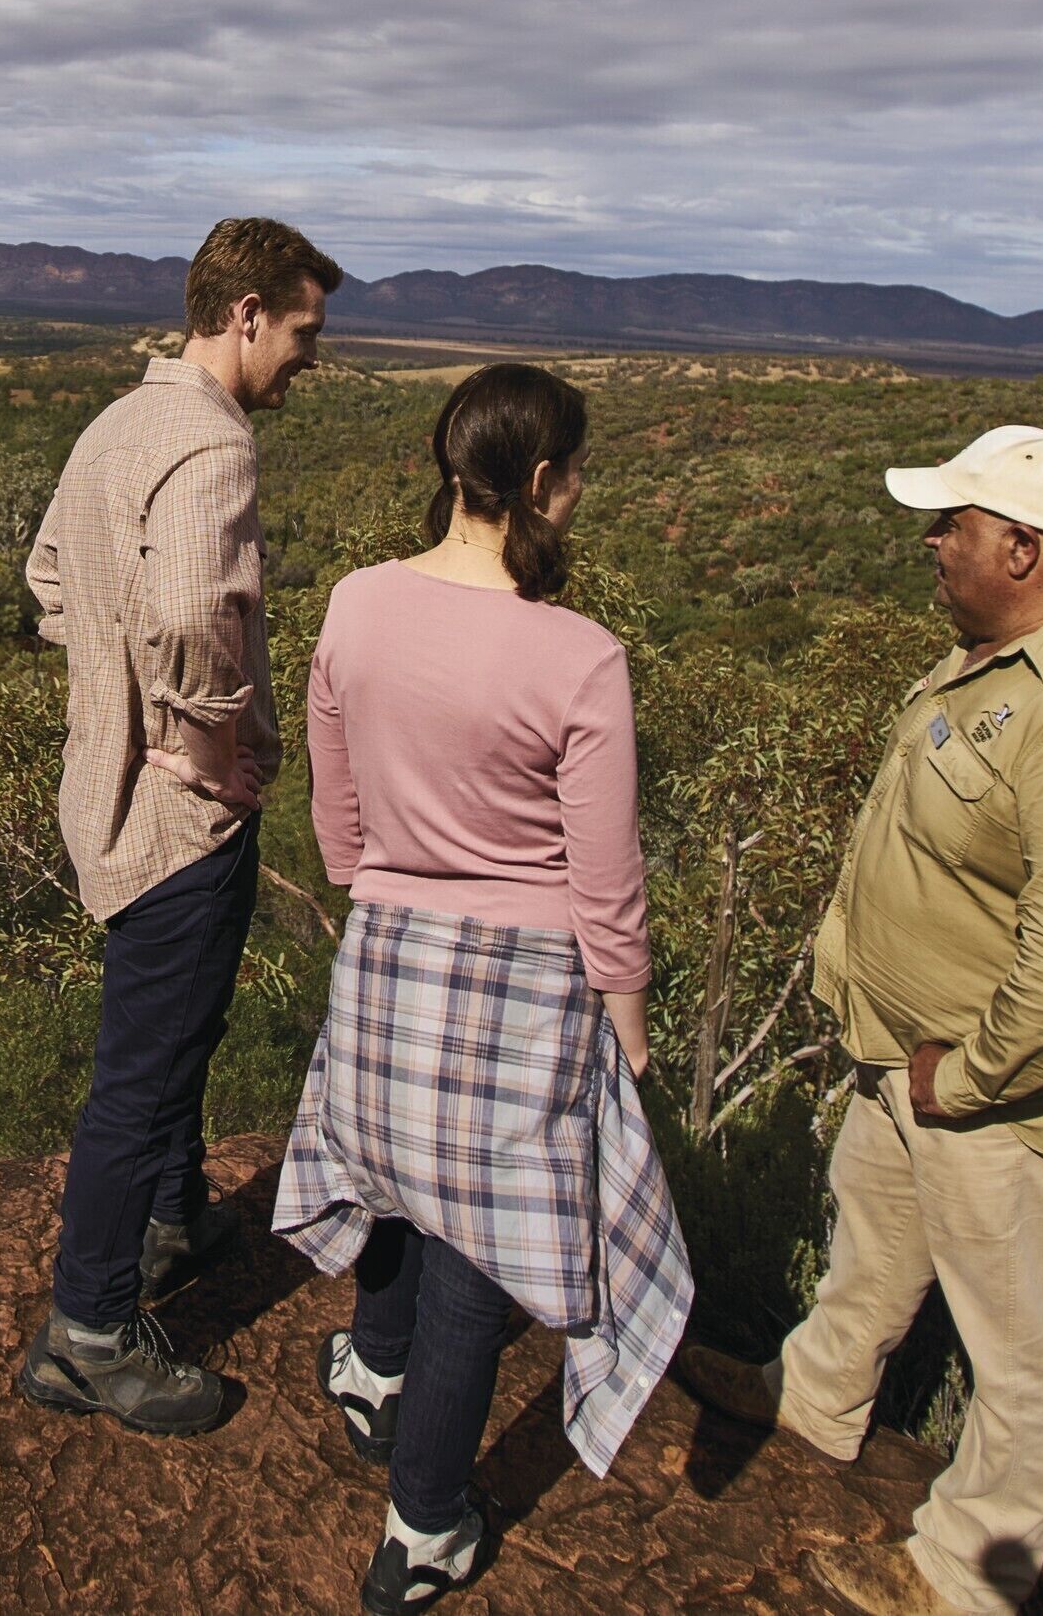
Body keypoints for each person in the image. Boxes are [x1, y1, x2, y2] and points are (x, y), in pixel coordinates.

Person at [711, 426, 1043, 1616]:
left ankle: (964, 1574)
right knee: (871, 1244)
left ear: (1024, 546)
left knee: (1016, 1344)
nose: (932, 543)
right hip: (910, 1053)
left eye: (953, 525)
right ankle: (815, 1406)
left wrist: (971, 1076)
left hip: (999, 1090)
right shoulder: (1005, 649)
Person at [271, 364, 694, 1614]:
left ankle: (371, 1366)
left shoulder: (355, 602)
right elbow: (604, 875)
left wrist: (373, 886)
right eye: (580, 473)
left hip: (389, 939)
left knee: (393, 1164)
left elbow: (332, 802)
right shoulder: (580, 657)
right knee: (478, 1242)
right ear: (546, 482)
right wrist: (629, 1021)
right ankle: (425, 1521)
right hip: (527, 974)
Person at [14, 215, 343, 1436]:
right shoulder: (210, 447)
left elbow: (51, 578)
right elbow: (194, 612)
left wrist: (107, 682)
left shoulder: (117, 422)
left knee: (175, 1029)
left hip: (109, 796)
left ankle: (168, 1218)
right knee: (140, 1068)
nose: (312, 353)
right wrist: (202, 740)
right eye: (303, 328)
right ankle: (89, 1333)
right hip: (176, 816)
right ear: (246, 314)